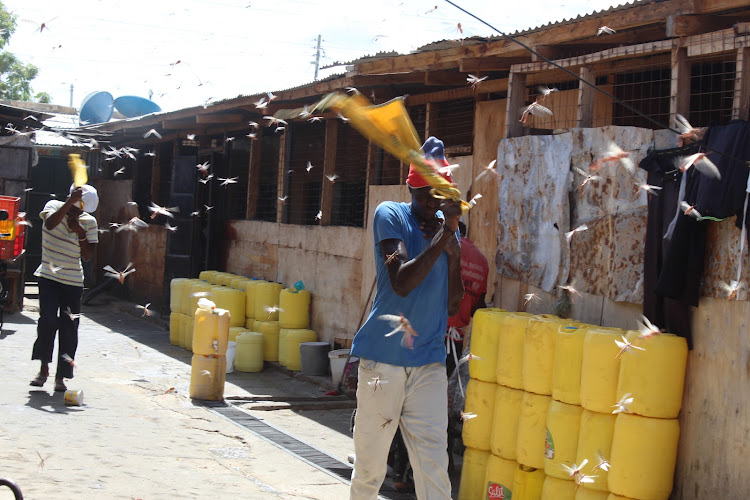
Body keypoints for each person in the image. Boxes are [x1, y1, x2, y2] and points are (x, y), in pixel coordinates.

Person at [349, 136, 464, 500]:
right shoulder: (391, 214)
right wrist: (443, 236)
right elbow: (401, 282)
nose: (431, 204)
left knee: (433, 465)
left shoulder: (449, 228)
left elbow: (451, 306)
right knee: (370, 466)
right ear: (411, 189)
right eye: (424, 195)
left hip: (428, 360)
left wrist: (455, 253)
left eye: (437, 196)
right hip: (385, 360)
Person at [30, 184, 99, 392]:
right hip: (49, 277)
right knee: (48, 320)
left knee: (69, 329)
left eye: (80, 209)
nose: (76, 212)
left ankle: (61, 377)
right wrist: (69, 202)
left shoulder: (89, 222)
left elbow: (88, 255)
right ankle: (43, 369)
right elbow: (50, 224)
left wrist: (80, 232)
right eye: (75, 206)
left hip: (73, 282)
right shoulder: (53, 206)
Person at [445, 219, 489, 376]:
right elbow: (477, 308)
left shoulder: (443, 248)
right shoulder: (482, 261)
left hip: (430, 334)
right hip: (454, 341)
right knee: (438, 391)